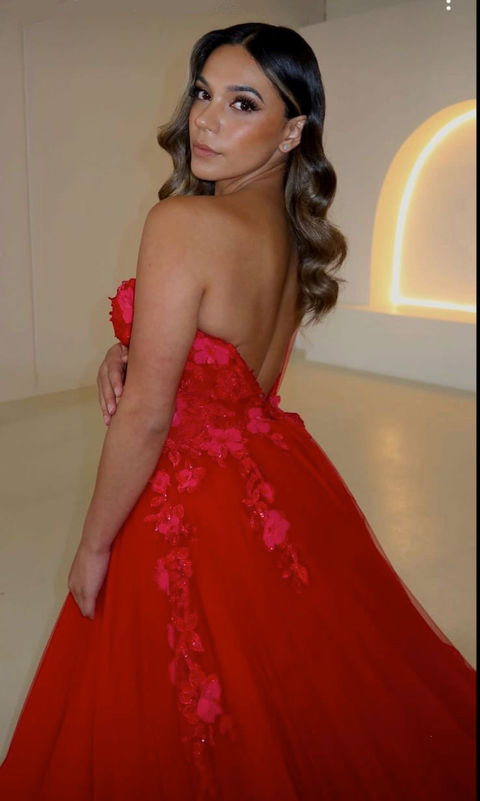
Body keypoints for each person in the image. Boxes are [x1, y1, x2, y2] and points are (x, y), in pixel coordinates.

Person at [0, 21, 475, 801]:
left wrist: (92, 545)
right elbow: (237, 374)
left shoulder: (183, 224)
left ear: (291, 132)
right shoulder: (290, 233)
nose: (207, 119)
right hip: (273, 483)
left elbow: (148, 416)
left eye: (243, 103)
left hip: (184, 503)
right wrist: (130, 350)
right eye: (203, 94)